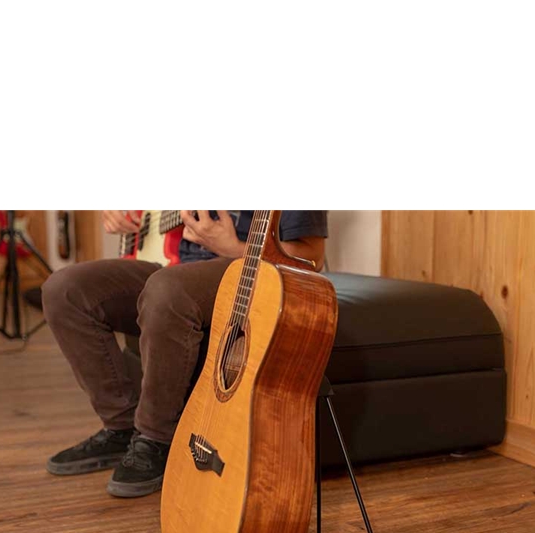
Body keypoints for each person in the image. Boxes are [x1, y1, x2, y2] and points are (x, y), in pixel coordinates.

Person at [42, 210, 328, 497]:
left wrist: (234, 248)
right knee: (64, 288)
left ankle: (156, 439)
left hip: (242, 268)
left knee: (166, 290)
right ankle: (122, 427)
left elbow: (311, 257)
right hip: (175, 266)